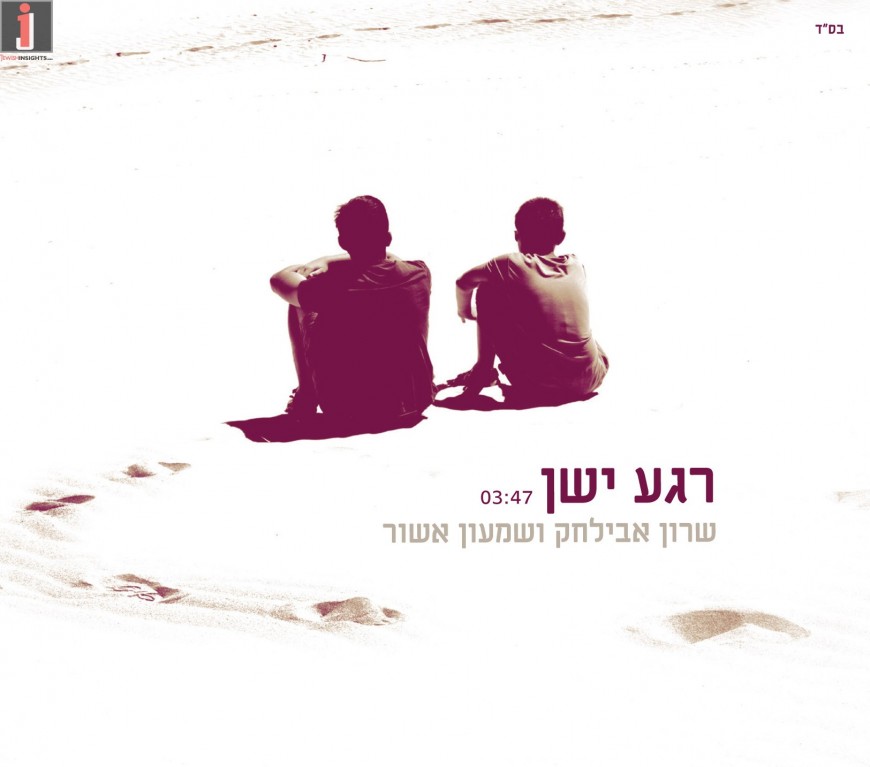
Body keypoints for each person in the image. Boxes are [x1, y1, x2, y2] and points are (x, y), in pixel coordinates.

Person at [269, 195, 434, 430]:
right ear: (388, 237)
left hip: (349, 410)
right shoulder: (420, 272)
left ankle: (307, 394)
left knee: (299, 302)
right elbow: (392, 258)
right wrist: (334, 260)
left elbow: (279, 279)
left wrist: (323, 261)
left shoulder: (331, 289)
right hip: (416, 401)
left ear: (342, 242)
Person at [446, 197, 608, 407]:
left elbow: (463, 283)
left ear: (517, 235)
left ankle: (484, 369)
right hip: (591, 378)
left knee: (488, 289)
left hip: (541, 385)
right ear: (561, 237)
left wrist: (465, 311)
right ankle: (573, 368)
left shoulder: (510, 263)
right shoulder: (576, 265)